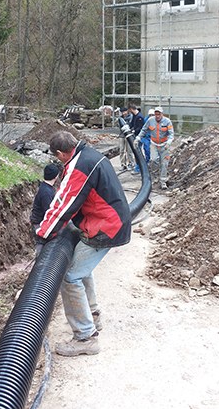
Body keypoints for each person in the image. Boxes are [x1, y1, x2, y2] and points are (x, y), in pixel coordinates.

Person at [35, 131, 131, 356]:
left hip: (106, 227)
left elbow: (64, 203)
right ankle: (93, 315)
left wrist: (42, 235)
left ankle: (85, 337)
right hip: (107, 221)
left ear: (60, 153)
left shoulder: (80, 166)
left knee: (70, 277)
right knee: (80, 268)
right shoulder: (88, 155)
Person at [134, 106, 174, 189]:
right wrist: (138, 138)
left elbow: (171, 134)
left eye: (159, 114)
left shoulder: (167, 122)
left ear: (162, 114)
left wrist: (169, 142)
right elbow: (144, 130)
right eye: (156, 114)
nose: (157, 116)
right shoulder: (150, 120)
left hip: (164, 145)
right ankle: (154, 176)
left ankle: (163, 181)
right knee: (153, 160)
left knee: (164, 163)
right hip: (154, 144)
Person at [30, 163, 60, 257]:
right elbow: (49, 211)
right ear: (56, 177)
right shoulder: (46, 192)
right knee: (41, 246)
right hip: (39, 223)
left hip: (39, 221)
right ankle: (39, 265)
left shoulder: (46, 188)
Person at [128, 104, 145, 174]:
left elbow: (141, 127)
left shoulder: (140, 117)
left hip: (139, 137)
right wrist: (128, 127)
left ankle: (139, 168)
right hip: (135, 136)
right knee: (136, 152)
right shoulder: (135, 116)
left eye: (129, 110)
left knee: (138, 152)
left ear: (131, 109)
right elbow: (132, 124)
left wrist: (134, 130)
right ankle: (138, 167)